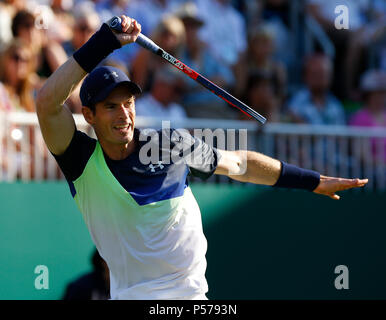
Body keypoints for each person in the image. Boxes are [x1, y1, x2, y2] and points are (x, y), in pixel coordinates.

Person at [36, 15, 368, 300]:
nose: (124, 114)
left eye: (128, 103)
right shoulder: (80, 159)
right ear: (89, 115)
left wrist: (311, 180)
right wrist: (103, 41)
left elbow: (239, 165)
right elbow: (47, 102)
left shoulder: (171, 144)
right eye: (111, 106)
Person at [286, 53, 346, 125]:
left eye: (322, 75)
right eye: (315, 74)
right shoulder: (295, 103)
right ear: (305, 76)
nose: (319, 79)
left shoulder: (336, 106)